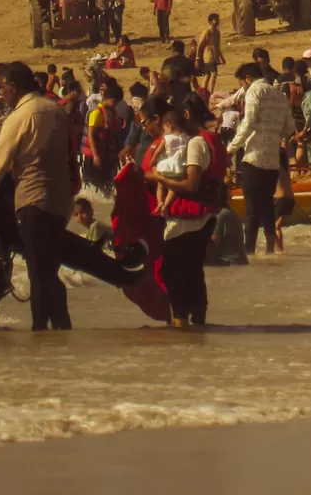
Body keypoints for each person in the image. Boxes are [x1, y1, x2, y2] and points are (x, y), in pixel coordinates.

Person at [0, 62, 75, 331]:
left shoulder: (20, 116)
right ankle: (62, 328)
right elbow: (69, 159)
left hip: (32, 199)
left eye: (3, 89)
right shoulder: (56, 110)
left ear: (12, 88)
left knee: (37, 271)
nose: (2, 95)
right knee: (48, 269)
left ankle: (40, 333)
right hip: (59, 202)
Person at [142, 95, 225, 327]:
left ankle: (182, 323)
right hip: (198, 218)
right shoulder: (199, 142)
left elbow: (190, 185)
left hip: (190, 220)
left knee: (174, 273)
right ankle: (196, 327)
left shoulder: (196, 144)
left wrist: (158, 177)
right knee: (192, 272)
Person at [230, 61, 295, 255]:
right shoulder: (280, 95)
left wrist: (230, 149)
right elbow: (289, 127)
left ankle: (248, 254)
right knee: (267, 208)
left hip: (253, 158)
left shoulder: (254, 91)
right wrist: (274, 133)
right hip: (272, 161)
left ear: (248, 79)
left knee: (251, 211)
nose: (243, 87)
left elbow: (248, 123)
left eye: (242, 83)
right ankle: (269, 253)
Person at [83, 77, 125, 189]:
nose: (115, 104)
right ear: (107, 98)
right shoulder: (97, 113)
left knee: (106, 188)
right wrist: (96, 156)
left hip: (107, 157)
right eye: (114, 101)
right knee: (92, 187)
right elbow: (91, 135)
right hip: (95, 157)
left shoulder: (113, 114)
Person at [196, 14, 224, 90]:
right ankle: (210, 93)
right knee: (214, 74)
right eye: (215, 20)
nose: (217, 22)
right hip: (208, 57)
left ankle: (202, 92)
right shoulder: (207, 32)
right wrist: (197, 58)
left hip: (214, 57)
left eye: (218, 20)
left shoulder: (217, 32)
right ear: (210, 22)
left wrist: (221, 57)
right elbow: (199, 45)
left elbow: (217, 46)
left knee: (207, 75)